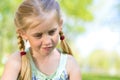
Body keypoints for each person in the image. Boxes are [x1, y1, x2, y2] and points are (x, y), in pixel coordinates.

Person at [1, 0, 81, 80]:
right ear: (23, 34)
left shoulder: (70, 64)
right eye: (38, 35)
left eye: (52, 32)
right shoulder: (17, 61)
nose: (47, 41)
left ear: (60, 25)